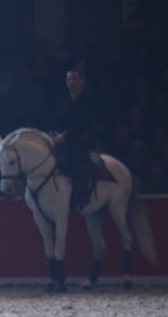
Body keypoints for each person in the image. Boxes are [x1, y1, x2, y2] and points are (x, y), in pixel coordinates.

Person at [52, 68, 99, 214]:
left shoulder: (87, 101)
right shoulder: (63, 100)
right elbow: (57, 119)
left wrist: (65, 135)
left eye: (74, 79)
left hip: (82, 141)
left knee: (76, 159)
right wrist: (55, 132)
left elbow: (82, 123)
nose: (71, 82)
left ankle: (81, 194)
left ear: (81, 82)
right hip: (64, 140)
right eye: (68, 79)